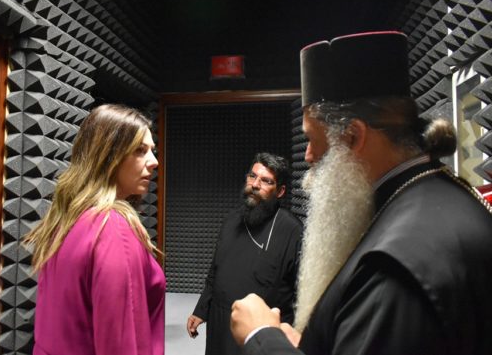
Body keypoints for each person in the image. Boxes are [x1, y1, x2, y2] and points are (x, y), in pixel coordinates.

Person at [230, 31, 492, 355]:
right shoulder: (435, 194)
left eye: (312, 138)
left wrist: (261, 337)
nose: (308, 155)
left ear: (353, 136)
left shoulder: (393, 267)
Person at [25, 104, 165, 355]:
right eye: (140, 150)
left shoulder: (66, 219)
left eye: (151, 151)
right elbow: (121, 343)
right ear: (108, 155)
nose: (154, 162)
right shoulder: (112, 229)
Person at [188, 153, 303, 355]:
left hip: (260, 333)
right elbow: (215, 269)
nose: (255, 184)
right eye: (252, 176)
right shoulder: (231, 220)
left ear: (280, 191)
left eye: (266, 181)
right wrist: (201, 309)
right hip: (219, 323)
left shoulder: (292, 230)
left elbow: (299, 294)